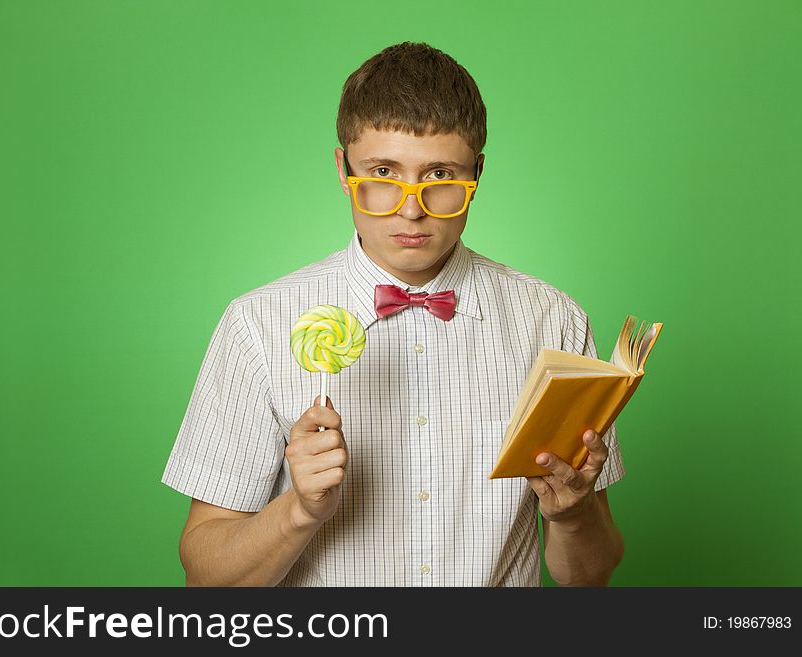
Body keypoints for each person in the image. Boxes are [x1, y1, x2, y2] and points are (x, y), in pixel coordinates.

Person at [161, 41, 625, 587]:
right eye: (382, 172)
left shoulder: (555, 322)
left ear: (478, 172)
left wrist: (572, 513)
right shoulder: (258, 325)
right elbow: (205, 578)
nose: (410, 208)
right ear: (342, 168)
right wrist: (299, 511)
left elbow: (589, 577)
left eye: (439, 177)